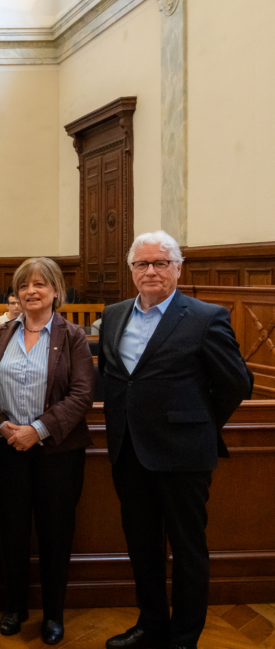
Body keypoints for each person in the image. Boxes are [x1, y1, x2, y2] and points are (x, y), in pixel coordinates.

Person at [99, 231, 253, 649]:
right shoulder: (113, 315)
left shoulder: (205, 317)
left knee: (187, 551)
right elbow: (113, 381)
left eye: (160, 263)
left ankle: (184, 637)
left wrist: (199, 423)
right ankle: (151, 624)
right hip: (129, 453)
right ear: (131, 270)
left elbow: (237, 383)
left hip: (184, 456)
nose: (150, 271)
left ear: (178, 268)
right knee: (142, 547)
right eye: (142, 264)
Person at [0, 258, 94, 645]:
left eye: (40, 284)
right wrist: (3, 425)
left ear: (55, 291)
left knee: (54, 534)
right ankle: (15, 606)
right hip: (8, 447)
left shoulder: (72, 335)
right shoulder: (2, 334)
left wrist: (37, 430)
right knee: (11, 533)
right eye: (24, 285)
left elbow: (82, 394)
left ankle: (53, 615)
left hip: (58, 453)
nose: (31, 291)